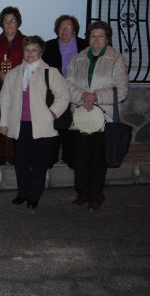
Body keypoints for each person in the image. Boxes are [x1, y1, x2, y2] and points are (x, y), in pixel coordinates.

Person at [0, 35, 69, 209]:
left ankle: (34, 196)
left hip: (42, 126)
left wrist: (51, 114)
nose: (30, 53)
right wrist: (4, 122)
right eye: (27, 50)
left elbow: (64, 96)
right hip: (20, 125)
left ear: (41, 51)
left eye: (34, 50)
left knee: (39, 164)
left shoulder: (50, 72)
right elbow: (5, 98)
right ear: (23, 51)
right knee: (21, 162)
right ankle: (22, 193)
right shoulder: (14, 73)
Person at [66, 21, 128, 211]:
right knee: (80, 160)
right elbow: (68, 84)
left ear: (107, 38)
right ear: (88, 38)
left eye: (101, 36)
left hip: (103, 119)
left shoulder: (116, 59)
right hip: (81, 117)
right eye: (93, 36)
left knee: (98, 160)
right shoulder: (78, 58)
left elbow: (122, 90)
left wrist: (96, 97)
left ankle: (96, 195)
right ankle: (82, 193)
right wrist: (82, 95)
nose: (96, 40)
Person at [43, 15, 89, 168]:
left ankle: (71, 158)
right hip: (55, 91)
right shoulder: (48, 46)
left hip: (78, 90)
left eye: (68, 27)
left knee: (73, 127)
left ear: (74, 29)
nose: (64, 30)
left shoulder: (84, 46)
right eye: (61, 27)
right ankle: (51, 158)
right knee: (55, 124)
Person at [0, 6, 25, 166]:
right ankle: (0, 154)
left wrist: (14, 76)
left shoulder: (26, 41)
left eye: (12, 20)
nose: (9, 24)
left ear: (18, 23)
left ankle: (17, 153)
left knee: (16, 119)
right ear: (1, 23)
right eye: (6, 20)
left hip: (20, 86)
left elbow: (31, 63)